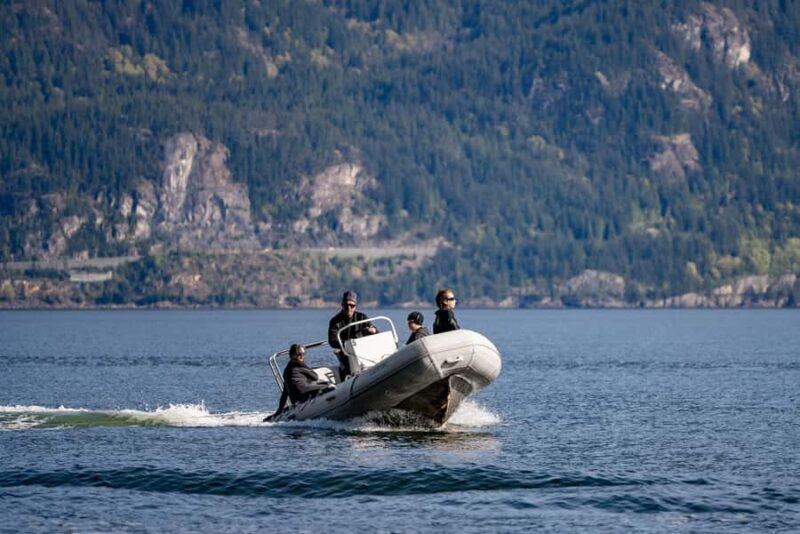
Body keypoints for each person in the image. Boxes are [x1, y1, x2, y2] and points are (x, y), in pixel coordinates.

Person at [264, 343, 334, 422]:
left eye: (303, 354)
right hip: (304, 392)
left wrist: (279, 410)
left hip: (295, 399)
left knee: (318, 385)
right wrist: (303, 364)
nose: (302, 357)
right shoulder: (299, 365)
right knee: (327, 384)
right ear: (292, 356)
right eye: (299, 354)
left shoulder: (287, 370)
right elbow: (315, 377)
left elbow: (285, 393)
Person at [327, 290, 377, 380]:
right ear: (342, 305)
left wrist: (373, 330)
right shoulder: (335, 321)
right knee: (346, 367)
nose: (349, 308)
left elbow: (375, 331)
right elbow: (332, 340)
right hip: (346, 354)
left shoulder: (362, 317)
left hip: (364, 352)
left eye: (352, 305)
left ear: (355, 306)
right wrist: (347, 344)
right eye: (346, 305)